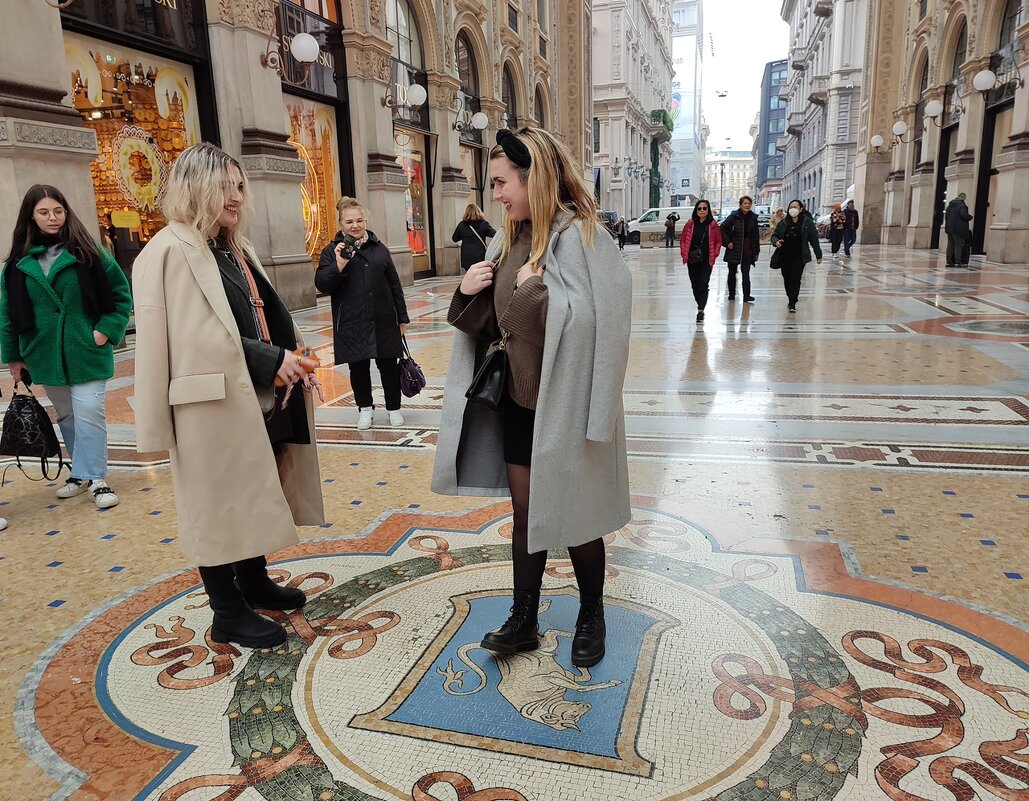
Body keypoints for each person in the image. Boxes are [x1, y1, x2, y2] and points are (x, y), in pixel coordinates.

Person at [432, 127, 632, 668]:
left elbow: (603, 325)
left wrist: (533, 292)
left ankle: (592, 613)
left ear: (532, 177)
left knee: (579, 513)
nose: (495, 193)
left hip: (569, 405)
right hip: (521, 405)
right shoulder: (509, 237)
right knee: (527, 511)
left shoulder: (585, 237)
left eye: (501, 182)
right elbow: (498, 324)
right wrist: (467, 291)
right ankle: (524, 616)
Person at [132, 143, 324, 648]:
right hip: (204, 404)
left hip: (252, 393)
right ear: (196, 186)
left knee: (248, 490)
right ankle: (226, 610)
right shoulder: (168, 249)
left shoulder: (230, 245)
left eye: (240, 186)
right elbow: (175, 337)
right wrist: (269, 360)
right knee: (214, 504)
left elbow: (254, 312)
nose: (237, 197)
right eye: (226, 186)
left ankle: (254, 580)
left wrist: (292, 355)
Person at [0, 185, 132, 510]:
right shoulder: (16, 264)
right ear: (31, 216)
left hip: (86, 348)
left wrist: (104, 331)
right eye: (44, 212)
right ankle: (80, 473)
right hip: (43, 352)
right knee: (68, 414)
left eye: (58, 211)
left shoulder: (89, 252)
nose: (53, 218)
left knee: (89, 409)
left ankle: (97, 478)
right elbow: (7, 313)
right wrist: (13, 358)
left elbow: (120, 295)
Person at [316, 197, 410, 430]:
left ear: (365, 221)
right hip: (351, 319)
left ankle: (393, 409)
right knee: (358, 368)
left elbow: (394, 284)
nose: (355, 225)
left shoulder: (379, 249)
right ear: (341, 223)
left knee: (388, 365)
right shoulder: (331, 251)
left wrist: (402, 317)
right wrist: (339, 264)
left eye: (359, 220)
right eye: (349, 222)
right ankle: (365, 409)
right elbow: (322, 284)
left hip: (383, 318)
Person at [770, 199, 822, 313]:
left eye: (795, 207)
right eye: (791, 207)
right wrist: (776, 242)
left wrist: (819, 255)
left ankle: (793, 302)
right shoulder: (783, 223)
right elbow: (774, 236)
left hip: (799, 255)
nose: (793, 209)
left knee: (795, 277)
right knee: (787, 277)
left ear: (801, 209)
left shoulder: (807, 223)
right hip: (784, 255)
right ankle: (790, 296)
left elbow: (814, 240)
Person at [679, 199, 723, 323]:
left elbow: (718, 241)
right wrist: (684, 252)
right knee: (695, 285)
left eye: (704, 208)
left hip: (706, 260)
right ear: (696, 210)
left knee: (703, 284)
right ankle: (700, 303)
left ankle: (701, 310)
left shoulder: (712, 225)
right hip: (692, 260)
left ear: (708, 210)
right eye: (699, 208)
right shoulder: (690, 224)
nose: (702, 210)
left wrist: (715, 253)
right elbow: (683, 240)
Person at [719, 195, 761, 302]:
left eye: (749, 203)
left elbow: (756, 236)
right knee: (732, 272)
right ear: (740, 204)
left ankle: (747, 295)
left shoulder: (753, 218)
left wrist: (756, 251)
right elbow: (722, 229)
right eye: (745, 203)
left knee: (746, 272)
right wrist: (727, 242)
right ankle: (732, 294)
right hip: (734, 247)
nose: (747, 205)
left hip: (747, 248)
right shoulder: (734, 216)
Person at [452, 203, 496, 272]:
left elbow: (454, 238)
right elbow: (494, 235)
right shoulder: (483, 224)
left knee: (470, 275)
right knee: (481, 275)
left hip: (467, 257)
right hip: (480, 255)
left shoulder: (462, 225)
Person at [945, 192, 973, 267]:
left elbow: (946, 217)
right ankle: (958, 261)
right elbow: (964, 215)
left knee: (950, 245)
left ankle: (949, 261)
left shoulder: (949, 206)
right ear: (963, 198)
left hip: (949, 229)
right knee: (959, 245)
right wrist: (970, 217)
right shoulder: (962, 206)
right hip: (959, 230)